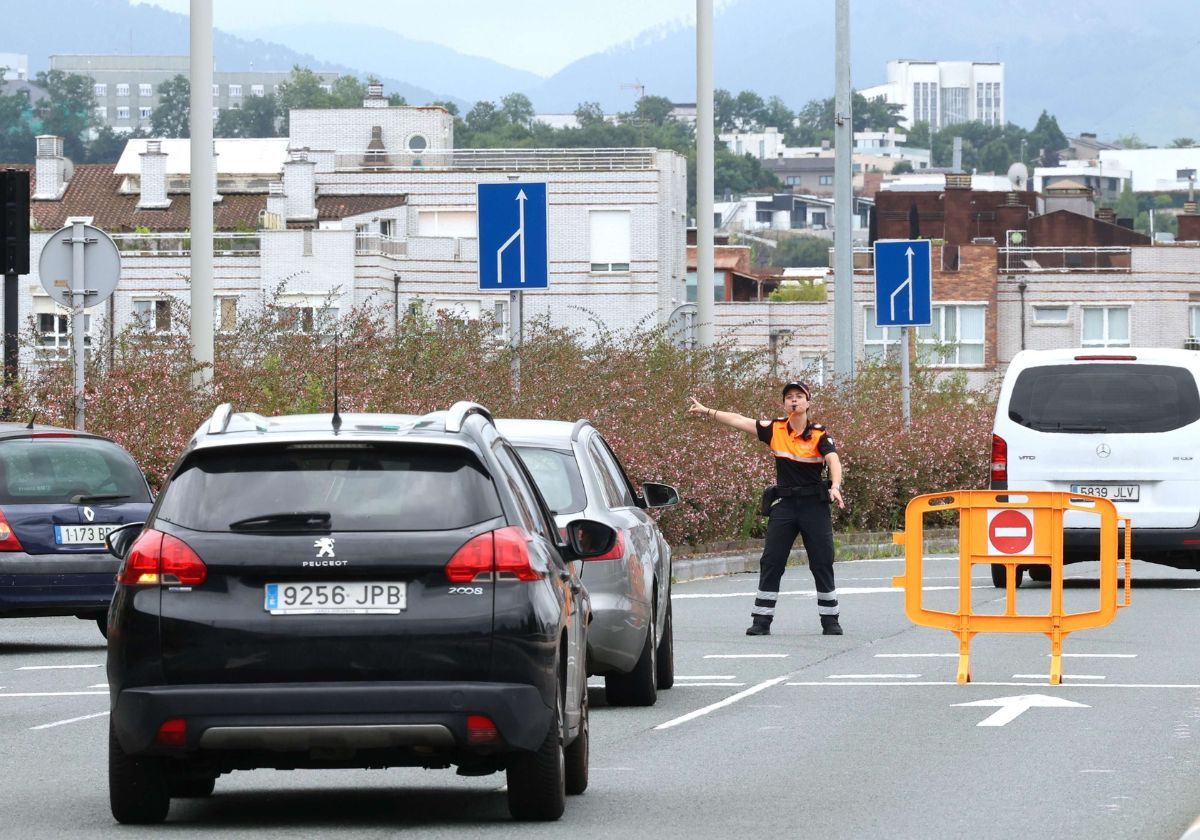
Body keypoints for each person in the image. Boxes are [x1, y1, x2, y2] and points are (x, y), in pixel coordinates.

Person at [689, 381, 846, 636]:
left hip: (814, 506)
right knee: (771, 561)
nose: (794, 401)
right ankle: (761, 621)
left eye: (799, 396)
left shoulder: (819, 434)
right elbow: (738, 420)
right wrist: (707, 410)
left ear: (808, 403)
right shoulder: (774, 429)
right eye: (789, 397)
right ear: (784, 404)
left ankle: (830, 620)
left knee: (821, 561)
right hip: (784, 506)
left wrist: (835, 486)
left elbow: (833, 459)